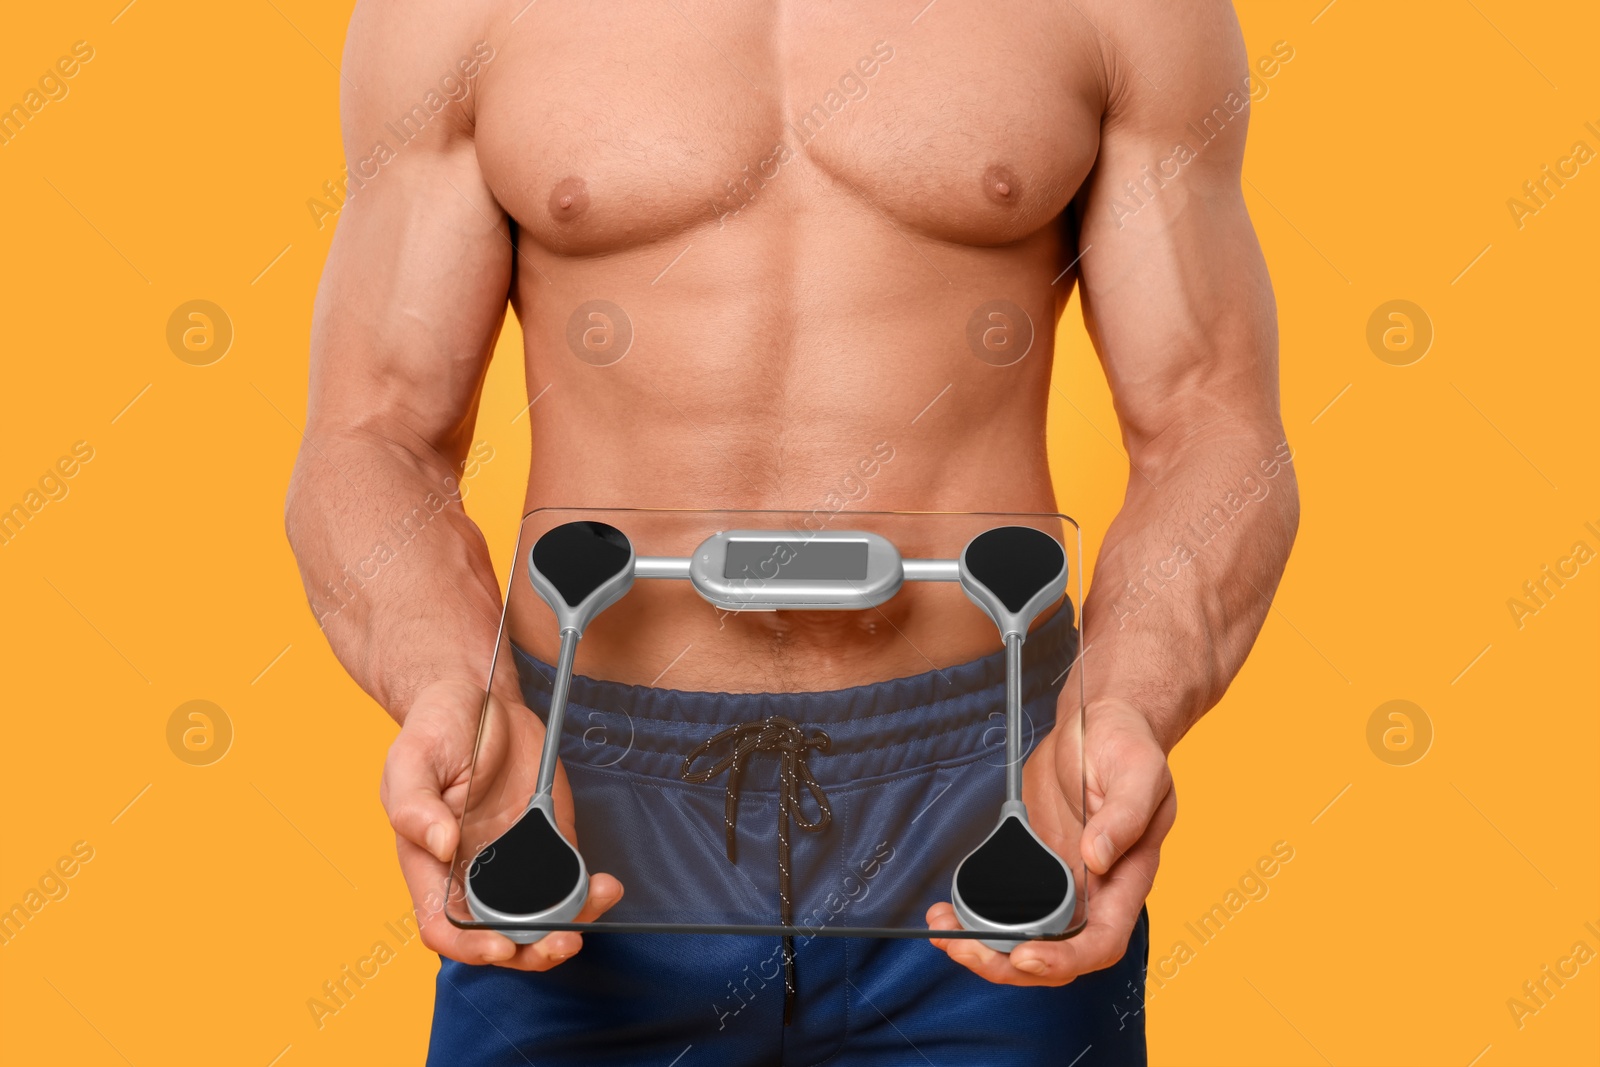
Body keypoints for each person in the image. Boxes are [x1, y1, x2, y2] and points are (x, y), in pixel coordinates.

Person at [286, 0, 1298, 1062]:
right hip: (569, 797)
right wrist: (454, 690)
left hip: (997, 797)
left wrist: (1125, 704)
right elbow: (374, 433)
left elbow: (1207, 424)